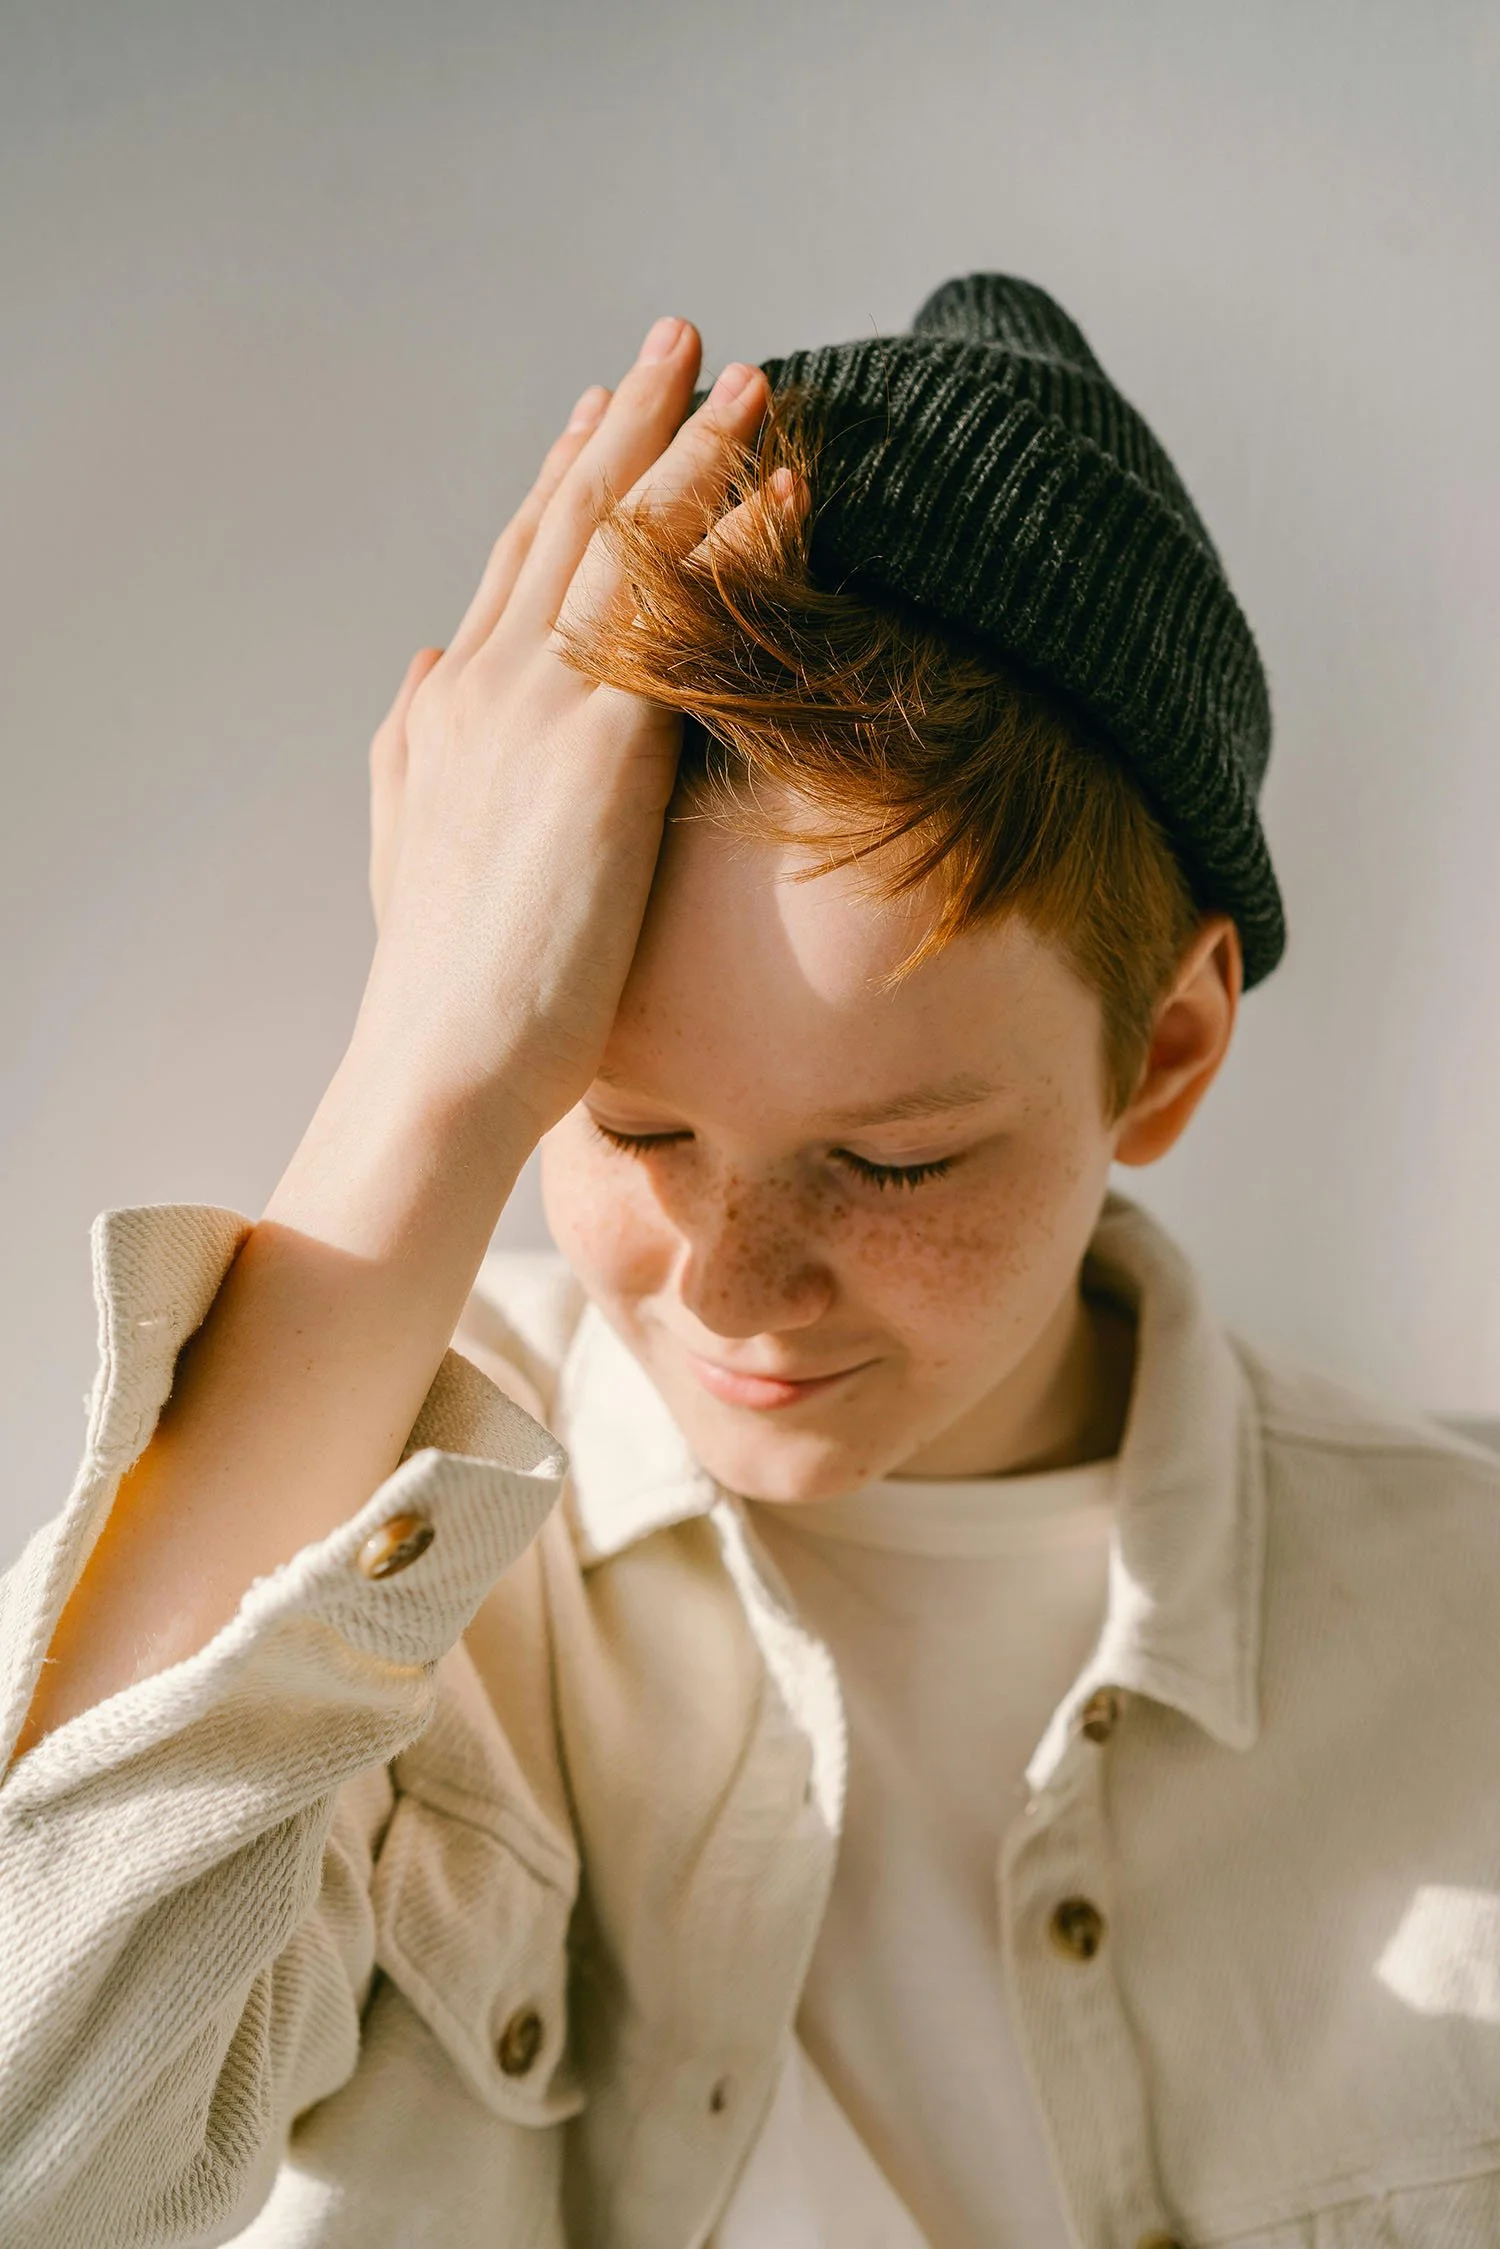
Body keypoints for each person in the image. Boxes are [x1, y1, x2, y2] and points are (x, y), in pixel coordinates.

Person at [2, 275, 1498, 2249]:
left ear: (1169, 1050)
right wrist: (427, 1063)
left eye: (889, 1157)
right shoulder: (379, 1606)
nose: (733, 1277)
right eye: (626, 1125)